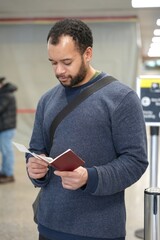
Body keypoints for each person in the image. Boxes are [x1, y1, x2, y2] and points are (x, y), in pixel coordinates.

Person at [26, 18, 148, 240]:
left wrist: (89, 178)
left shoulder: (121, 98)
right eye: (53, 62)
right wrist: (34, 169)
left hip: (98, 230)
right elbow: (36, 149)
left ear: (88, 53)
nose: (59, 70)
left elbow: (135, 161)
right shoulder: (47, 100)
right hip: (49, 225)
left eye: (66, 61)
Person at [0, 77, 17, 184]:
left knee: (7, 152)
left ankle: (9, 174)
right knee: (5, 151)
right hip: (5, 128)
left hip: (6, 129)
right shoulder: (4, 94)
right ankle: (4, 172)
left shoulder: (6, 95)